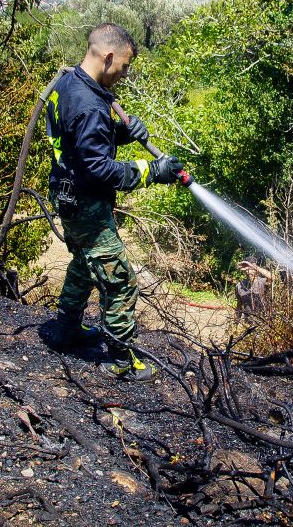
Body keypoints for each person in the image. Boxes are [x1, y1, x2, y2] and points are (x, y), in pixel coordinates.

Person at [46, 23, 185, 380]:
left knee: (83, 265)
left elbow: (81, 140)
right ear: (108, 57)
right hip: (86, 203)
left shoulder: (68, 84)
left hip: (67, 195)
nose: (124, 74)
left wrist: (121, 131)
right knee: (120, 280)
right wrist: (152, 171)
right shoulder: (90, 104)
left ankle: (65, 331)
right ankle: (122, 360)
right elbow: (98, 169)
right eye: (124, 66)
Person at [234, 256, 272, 322]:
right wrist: (235, 323)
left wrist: (254, 266)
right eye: (247, 267)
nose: (249, 270)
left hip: (264, 322)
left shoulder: (262, 281)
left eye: (251, 268)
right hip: (248, 324)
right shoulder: (239, 285)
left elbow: (273, 277)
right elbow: (239, 306)